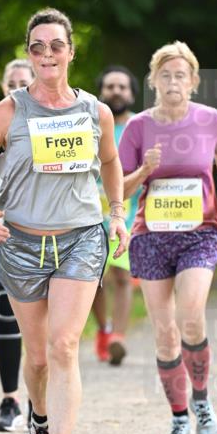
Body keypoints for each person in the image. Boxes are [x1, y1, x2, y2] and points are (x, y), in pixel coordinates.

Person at [0, 9, 128, 434]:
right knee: (35, 358)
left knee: (64, 345)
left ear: (71, 51)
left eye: (56, 45)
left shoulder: (95, 111)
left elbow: (112, 161)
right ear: (30, 54)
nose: (47, 54)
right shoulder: (9, 111)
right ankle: (37, 417)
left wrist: (116, 213)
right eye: (38, 47)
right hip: (20, 243)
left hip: (80, 238)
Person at [118, 42, 217, 434]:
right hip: (151, 236)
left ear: (194, 81)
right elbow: (118, 186)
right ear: (153, 80)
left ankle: (202, 401)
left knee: (190, 314)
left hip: (200, 230)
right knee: (165, 332)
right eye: (165, 75)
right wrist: (145, 169)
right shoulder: (138, 128)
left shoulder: (211, 120)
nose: (173, 81)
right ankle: (179, 418)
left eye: (180, 75)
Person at [0, 59, 34, 432]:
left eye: (22, 81)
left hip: (43, 226)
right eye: (10, 82)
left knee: (41, 316)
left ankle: (39, 401)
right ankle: (10, 399)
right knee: (5, 305)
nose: (16, 86)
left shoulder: (49, 121)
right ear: (3, 87)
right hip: (2, 225)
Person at [92, 65, 142, 365]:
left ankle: (118, 339)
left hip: (129, 212)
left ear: (132, 94)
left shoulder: (140, 126)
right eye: (110, 86)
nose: (116, 92)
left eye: (122, 87)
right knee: (93, 278)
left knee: (122, 276)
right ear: (101, 92)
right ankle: (103, 330)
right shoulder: (90, 123)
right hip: (89, 212)